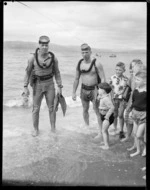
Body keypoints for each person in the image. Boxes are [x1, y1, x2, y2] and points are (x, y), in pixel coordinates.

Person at [23, 36, 63, 137]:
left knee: (52, 108)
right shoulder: (32, 58)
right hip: (37, 85)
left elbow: (57, 72)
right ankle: (36, 130)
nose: (44, 47)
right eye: (42, 45)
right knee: (36, 108)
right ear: (39, 45)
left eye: (46, 45)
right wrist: (25, 86)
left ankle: (53, 129)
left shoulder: (53, 58)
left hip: (50, 84)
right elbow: (27, 73)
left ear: (48, 45)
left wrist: (60, 86)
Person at [72, 43, 106, 137]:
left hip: (94, 90)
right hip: (83, 89)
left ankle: (100, 131)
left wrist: (101, 92)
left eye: (86, 52)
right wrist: (73, 92)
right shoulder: (79, 64)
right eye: (82, 52)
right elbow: (76, 79)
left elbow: (103, 78)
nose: (84, 54)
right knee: (85, 109)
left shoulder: (97, 63)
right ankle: (87, 127)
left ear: (90, 52)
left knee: (97, 110)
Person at [122, 59, 144, 142]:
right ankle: (128, 136)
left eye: (133, 66)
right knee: (128, 119)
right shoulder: (131, 77)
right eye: (131, 66)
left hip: (139, 103)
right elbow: (128, 87)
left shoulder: (142, 77)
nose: (132, 68)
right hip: (130, 101)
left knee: (139, 123)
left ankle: (139, 142)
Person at [127, 71, 146, 157]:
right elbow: (133, 102)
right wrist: (131, 111)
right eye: (135, 79)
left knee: (139, 135)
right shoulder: (135, 90)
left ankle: (145, 147)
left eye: (138, 79)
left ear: (144, 81)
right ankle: (138, 150)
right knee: (135, 134)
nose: (135, 81)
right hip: (134, 113)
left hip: (143, 115)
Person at [109, 62, 128, 139]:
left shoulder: (126, 79)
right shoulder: (112, 78)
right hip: (114, 99)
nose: (117, 71)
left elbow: (127, 89)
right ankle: (115, 128)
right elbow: (110, 89)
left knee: (120, 115)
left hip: (122, 100)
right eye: (116, 69)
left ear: (124, 70)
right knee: (115, 115)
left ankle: (121, 130)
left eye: (120, 70)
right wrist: (111, 99)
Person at [97, 82, 115, 149]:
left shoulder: (106, 99)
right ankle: (106, 142)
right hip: (103, 115)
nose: (98, 90)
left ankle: (106, 146)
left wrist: (107, 117)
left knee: (103, 131)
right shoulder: (103, 97)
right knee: (105, 130)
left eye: (99, 89)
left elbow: (112, 107)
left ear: (103, 91)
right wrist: (99, 97)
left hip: (107, 117)